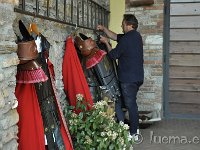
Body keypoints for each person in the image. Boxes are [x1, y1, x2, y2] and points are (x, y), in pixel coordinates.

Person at [97, 14, 144, 136]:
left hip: (129, 79)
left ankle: (134, 133)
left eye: (123, 24)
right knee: (128, 103)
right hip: (137, 77)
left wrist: (107, 43)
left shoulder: (127, 39)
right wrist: (104, 29)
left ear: (129, 25)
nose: (121, 25)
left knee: (130, 105)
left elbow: (113, 55)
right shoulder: (135, 36)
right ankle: (129, 128)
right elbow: (115, 36)